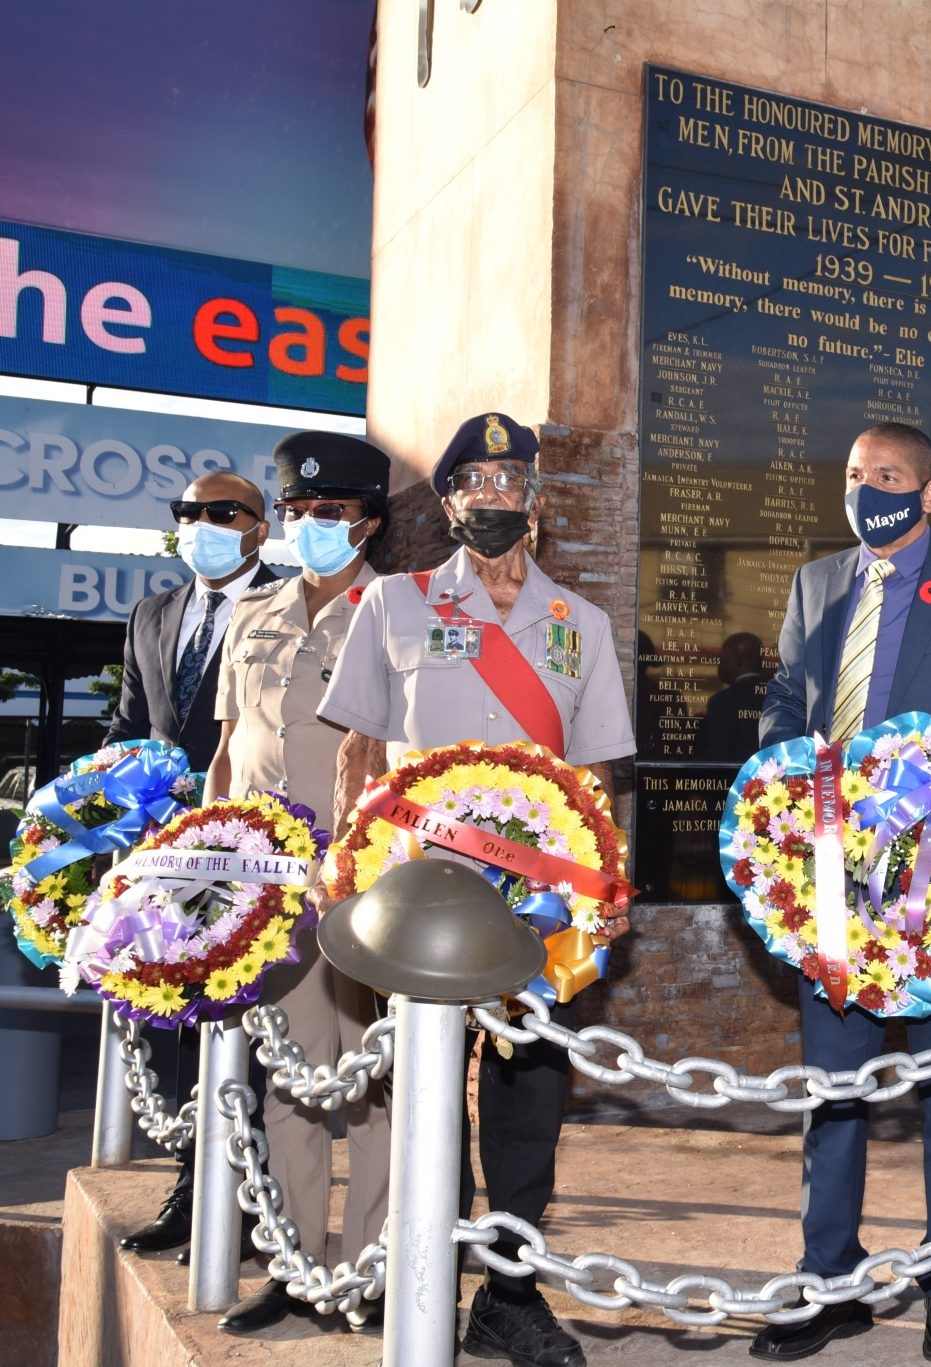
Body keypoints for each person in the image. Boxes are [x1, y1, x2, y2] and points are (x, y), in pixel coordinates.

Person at [320, 413, 635, 1367]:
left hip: (537, 905)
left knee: (527, 1093)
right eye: (475, 482)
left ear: (536, 502)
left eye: (512, 482)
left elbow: (597, 776)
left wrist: (604, 883)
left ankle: (509, 1291)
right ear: (450, 499)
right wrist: (341, 865)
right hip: (422, 896)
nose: (494, 498)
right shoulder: (395, 605)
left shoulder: (581, 623)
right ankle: (421, 1274)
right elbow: (360, 751)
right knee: (423, 1093)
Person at [753, 422, 931, 1363]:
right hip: (830, 882)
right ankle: (828, 1277)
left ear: (930, 492)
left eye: (887, 475)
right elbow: (785, 704)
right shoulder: (816, 582)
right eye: (853, 471)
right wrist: (779, 809)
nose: (866, 486)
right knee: (835, 1090)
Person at [207, 433, 392, 1336]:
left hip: (358, 885)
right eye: (296, 511)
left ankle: (373, 1268)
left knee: (372, 1083)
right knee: (287, 1080)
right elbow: (229, 746)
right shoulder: (257, 613)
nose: (309, 524)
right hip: (266, 885)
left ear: (368, 520)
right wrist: (208, 850)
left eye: (329, 512)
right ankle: (295, 1264)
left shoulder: (393, 611)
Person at [106, 470, 280, 1259]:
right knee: (188, 1026)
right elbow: (131, 725)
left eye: (219, 511)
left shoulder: (291, 600)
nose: (199, 523)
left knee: (253, 1027)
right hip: (167, 860)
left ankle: (250, 1197)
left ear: (258, 527)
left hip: (254, 854)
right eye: (186, 512)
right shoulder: (153, 613)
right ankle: (194, 1183)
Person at [696, 631, 769, 760]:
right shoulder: (780, 697)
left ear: (737, 660)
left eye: (723, 659)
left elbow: (717, 753)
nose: (720, 666)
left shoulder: (722, 702)